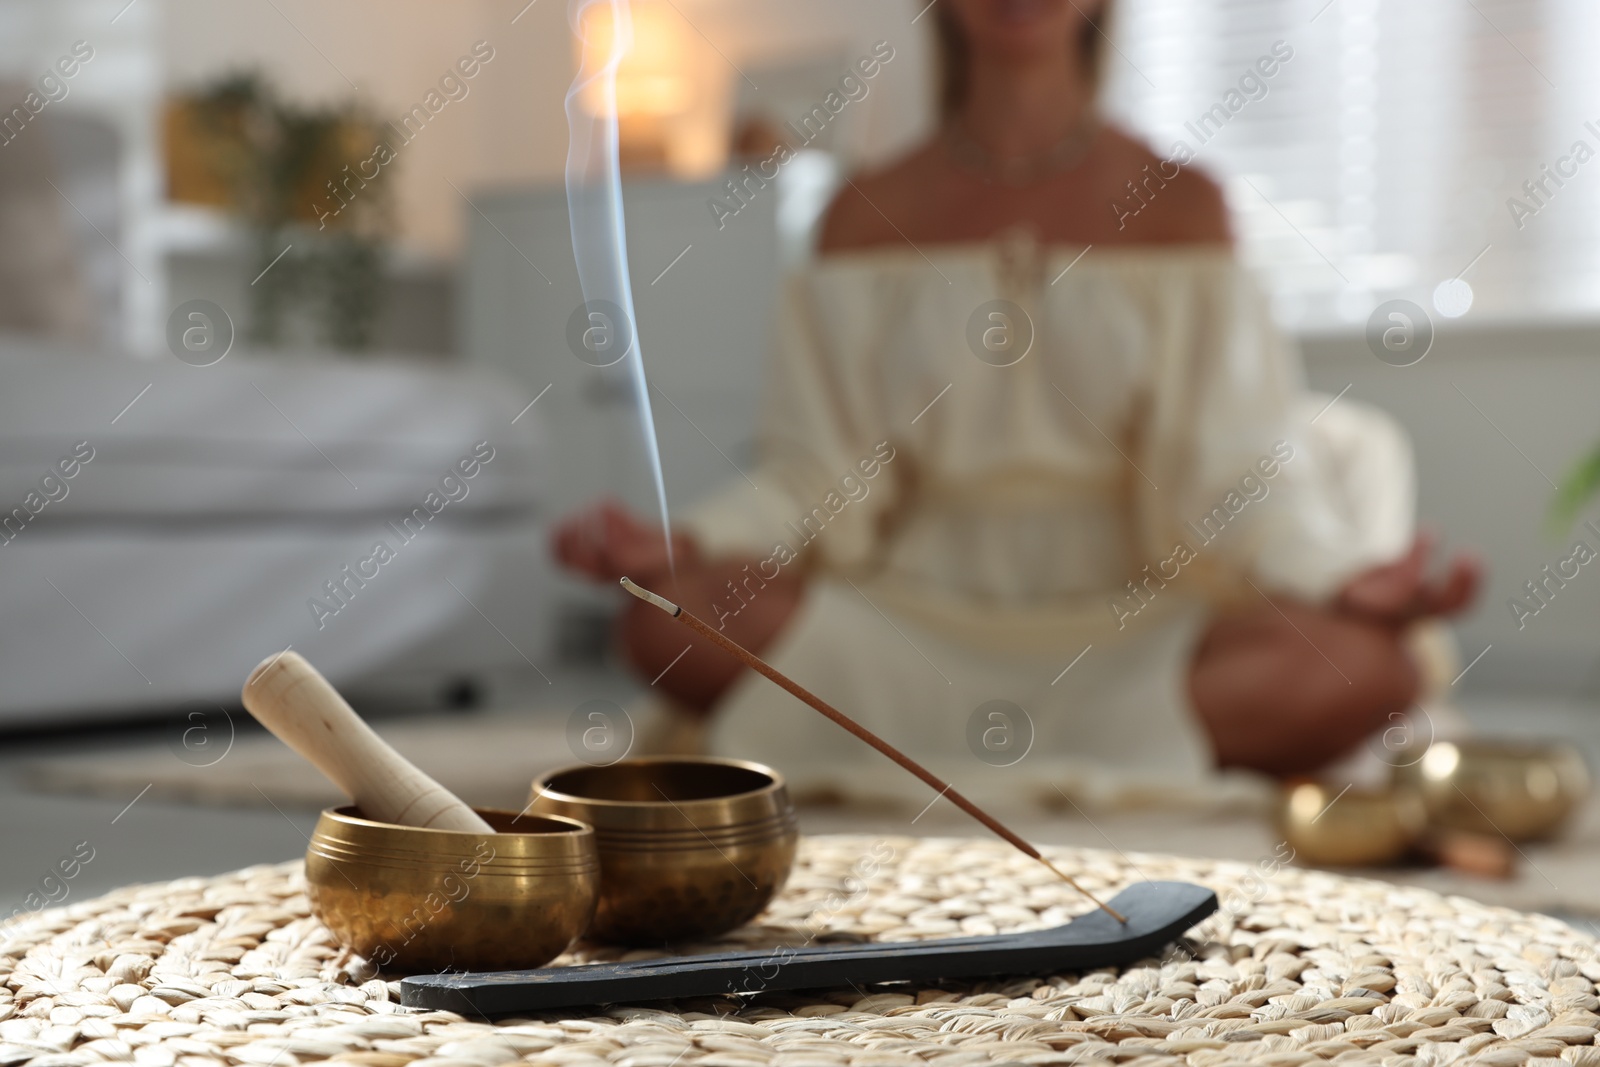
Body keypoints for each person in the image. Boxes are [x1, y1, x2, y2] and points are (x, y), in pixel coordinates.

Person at [555, 0, 1479, 804]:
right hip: (905, 623)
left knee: (1369, 667)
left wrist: (1339, 577)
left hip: (1131, 629)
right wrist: (688, 543)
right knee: (662, 617)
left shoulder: (1184, 206)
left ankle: (934, 751)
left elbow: (1237, 469)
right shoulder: (858, 214)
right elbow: (814, 472)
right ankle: (1064, 749)